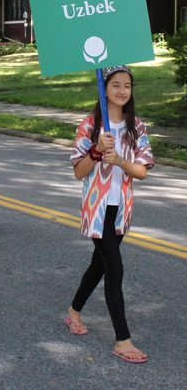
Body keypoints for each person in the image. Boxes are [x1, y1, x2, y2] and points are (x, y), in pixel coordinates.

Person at [66, 65, 154, 364]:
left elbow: (141, 171)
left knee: (99, 265)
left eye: (127, 86)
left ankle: (73, 311)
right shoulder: (91, 125)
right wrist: (94, 151)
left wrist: (119, 161)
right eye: (115, 85)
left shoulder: (136, 127)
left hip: (121, 210)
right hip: (97, 208)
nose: (121, 91)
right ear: (104, 90)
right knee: (114, 269)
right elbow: (79, 173)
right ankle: (122, 341)